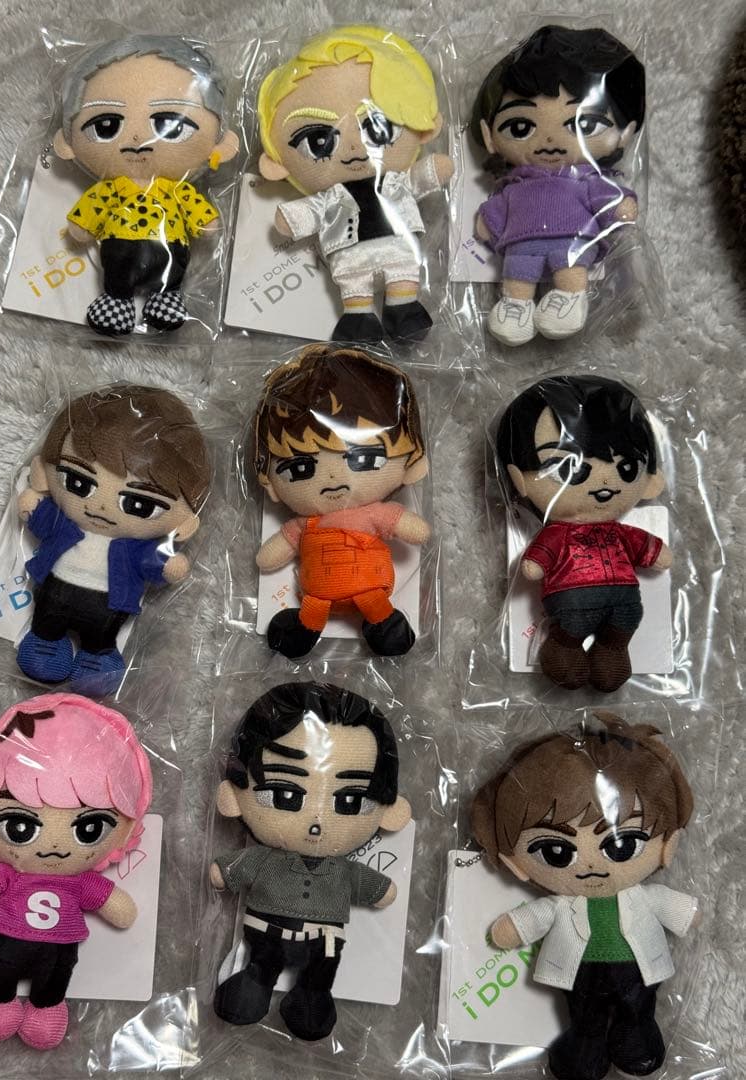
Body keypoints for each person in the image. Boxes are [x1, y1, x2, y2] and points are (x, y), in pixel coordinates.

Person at [470, 712, 698, 1080]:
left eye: (622, 844)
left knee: (638, 1006)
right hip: (582, 973)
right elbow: (537, 916)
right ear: (517, 864)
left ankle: (636, 1034)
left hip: (636, 968)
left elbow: (673, 906)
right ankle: (586, 1045)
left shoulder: (645, 896)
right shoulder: (560, 903)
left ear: (667, 845)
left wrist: (688, 912)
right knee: (584, 1015)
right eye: (556, 851)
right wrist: (513, 927)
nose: (591, 865)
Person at [0, 693, 152, 1049]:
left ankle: (45, 1010)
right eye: (20, 827)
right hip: (2, 945)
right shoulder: (5, 874)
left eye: (89, 829)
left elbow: (121, 911)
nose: (55, 845)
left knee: (53, 984)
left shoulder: (79, 882)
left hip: (55, 956)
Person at [211, 681, 411, 1041]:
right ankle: (257, 979)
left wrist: (382, 890)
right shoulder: (264, 858)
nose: (317, 823)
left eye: (350, 801)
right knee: (263, 961)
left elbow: (374, 887)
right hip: (268, 931)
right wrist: (223, 872)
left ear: (389, 811)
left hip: (325, 939)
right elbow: (233, 869)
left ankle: (313, 993)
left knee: (324, 965)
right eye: (284, 794)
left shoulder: (343, 870)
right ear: (234, 796)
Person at [258, 25, 454, 343]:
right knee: (354, 284)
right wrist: (292, 218)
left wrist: (433, 169)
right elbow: (310, 210)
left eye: (376, 128)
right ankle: (358, 317)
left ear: (424, 125)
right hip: (351, 257)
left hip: (397, 247)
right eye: (319, 140)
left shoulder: (394, 181)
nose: (355, 147)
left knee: (402, 273)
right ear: (277, 164)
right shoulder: (329, 197)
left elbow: (415, 179)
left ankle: (403, 308)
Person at [16, 384, 209, 690]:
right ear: (43, 471)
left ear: (184, 522)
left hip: (106, 606)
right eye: (78, 483)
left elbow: (149, 560)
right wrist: (35, 506)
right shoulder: (65, 523)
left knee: (101, 635)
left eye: (139, 504)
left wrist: (166, 563)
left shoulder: (134, 547)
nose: (101, 507)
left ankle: (97, 656)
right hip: (55, 591)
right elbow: (44, 520)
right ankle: (45, 641)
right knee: (47, 620)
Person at [54, 34, 239, 335]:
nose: (138, 139)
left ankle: (165, 297)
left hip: (169, 244)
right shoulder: (111, 189)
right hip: (119, 244)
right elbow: (93, 208)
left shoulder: (175, 189)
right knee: (117, 273)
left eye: (169, 125)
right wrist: (82, 226)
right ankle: (117, 300)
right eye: (106, 126)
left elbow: (196, 209)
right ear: (68, 143)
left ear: (220, 143)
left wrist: (205, 221)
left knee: (172, 269)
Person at [496, 374, 671, 691]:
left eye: (626, 468)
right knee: (572, 624)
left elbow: (645, 547)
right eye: (570, 469)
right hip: (573, 602)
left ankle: (612, 650)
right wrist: (535, 564)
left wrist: (656, 552)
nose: (604, 481)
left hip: (624, 600)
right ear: (519, 479)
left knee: (627, 621)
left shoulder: (621, 533)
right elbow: (537, 561)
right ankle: (564, 646)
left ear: (650, 478)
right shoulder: (559, 533)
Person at [254, 344, 430, 659]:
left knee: (373, 603)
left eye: (364, 458)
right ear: (271, 482)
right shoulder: (305, 524)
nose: (333, 478)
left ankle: (384, 622)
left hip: (369, 590)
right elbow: (269, 557)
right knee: (313, 609)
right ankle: (305, 630)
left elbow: (413, 529)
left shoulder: (371, 514)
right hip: (317, 595)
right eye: (300, 468)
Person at [471, 25, 645, 344]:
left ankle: (569, 298)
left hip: (572, 242)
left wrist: (620, 207)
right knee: (517, 273)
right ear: (489, 136)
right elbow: (497, 208)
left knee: (569, 268)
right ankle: (515, 306)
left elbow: (606, 198)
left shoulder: (585, 180)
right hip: (520, 244)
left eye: (583, 124)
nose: (550, 139)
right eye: (520, 127)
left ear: (623, 134)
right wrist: (487, 221)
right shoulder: (514, 185)